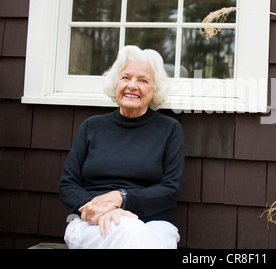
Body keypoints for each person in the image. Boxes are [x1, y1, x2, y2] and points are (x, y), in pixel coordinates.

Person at [59, 45, 185, 249]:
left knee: (140, 236)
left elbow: (169, 191)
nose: (132, 86)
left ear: (155, 89)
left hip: (154, 223)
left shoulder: (169, 129)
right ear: (115, 83)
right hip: (91, 222)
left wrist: (123, 199)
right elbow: (68, 184)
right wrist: (101, 210)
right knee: (129, 231)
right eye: (125, 78)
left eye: (143, 80)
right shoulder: (92, 127)